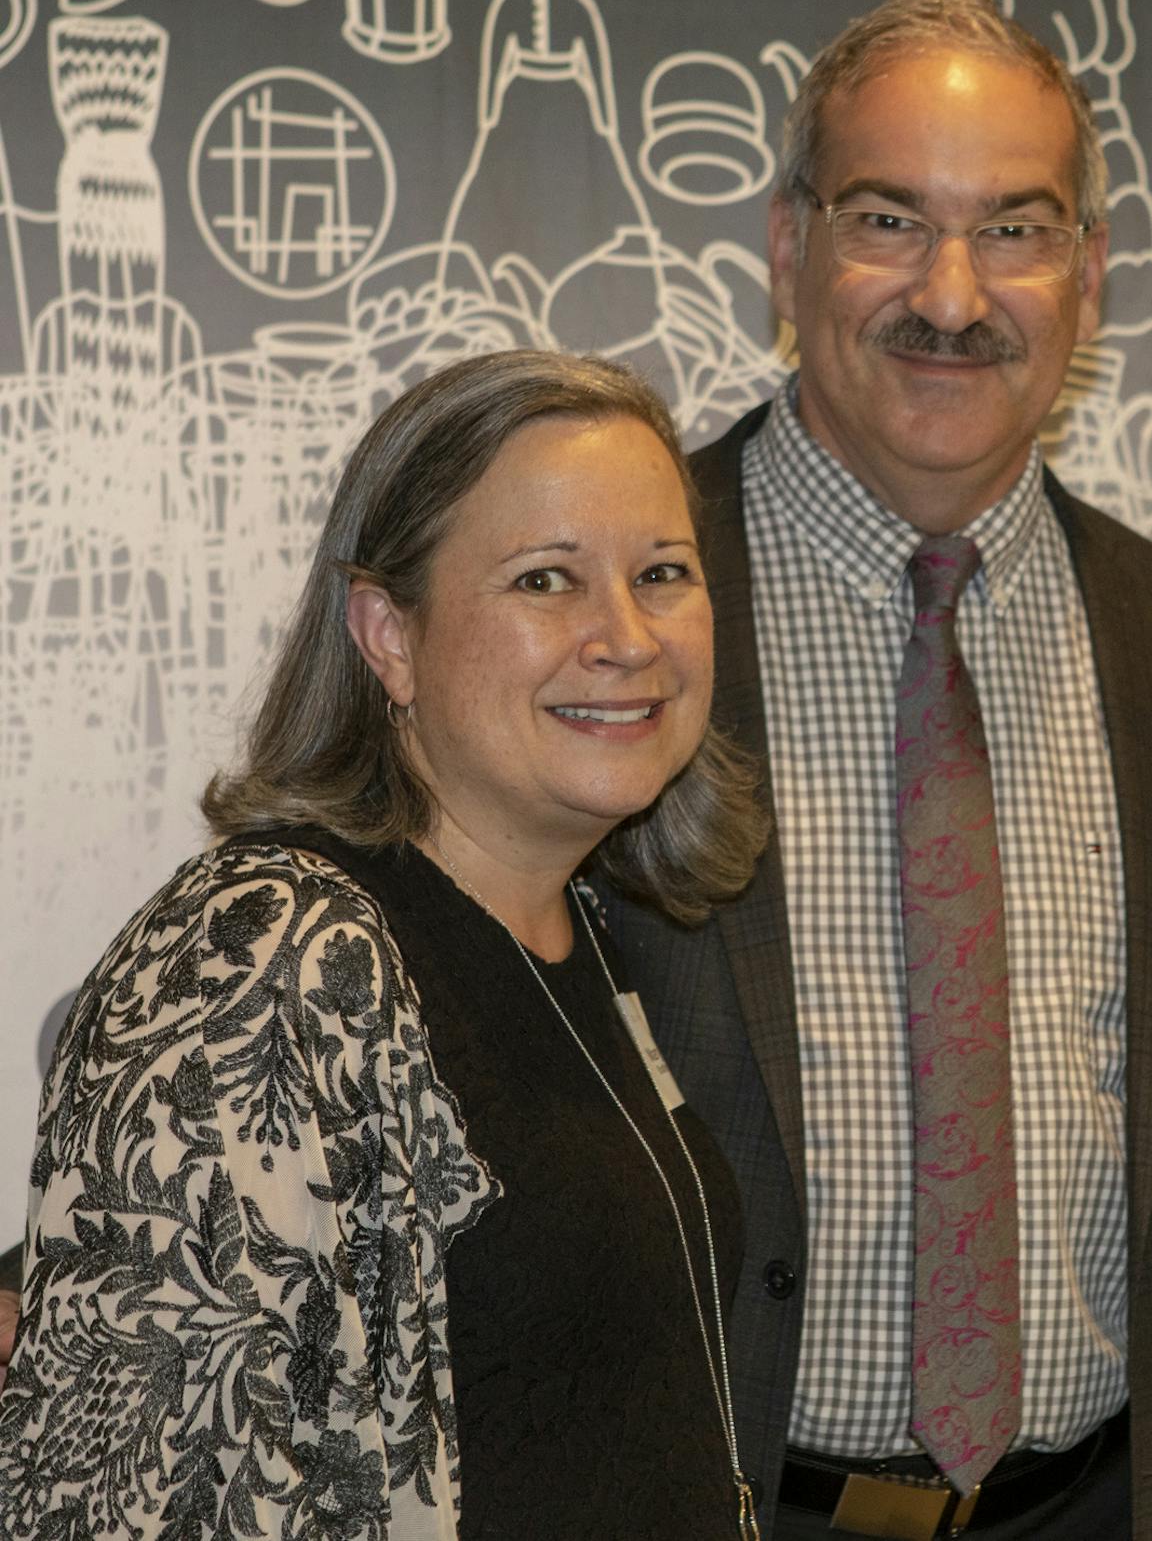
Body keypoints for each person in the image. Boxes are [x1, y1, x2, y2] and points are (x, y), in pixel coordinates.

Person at [598, 0, 1152, 1541]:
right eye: (887, 219)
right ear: (786, 247)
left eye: (1015, 227)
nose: (952, 292)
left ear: (1092, 276)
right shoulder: (619, 611)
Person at [0, 350, 770, 1538]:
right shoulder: (268, 953)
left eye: (662, 572)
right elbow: (135, 1493)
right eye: (547, 579)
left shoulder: (583, 928)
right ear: (387, 633)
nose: (626, 635)